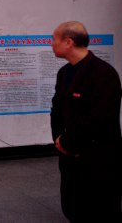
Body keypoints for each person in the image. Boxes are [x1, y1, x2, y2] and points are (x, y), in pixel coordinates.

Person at [49, 21, 121, 222]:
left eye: (54, 39)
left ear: (68, 42)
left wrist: (69, 143)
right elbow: (56, 110)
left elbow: (99, 119)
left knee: (99, 210)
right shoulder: (64, 73)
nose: (51, 44)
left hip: (97, 160)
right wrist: (59, 140)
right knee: (73, 208)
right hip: (69, 157)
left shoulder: (104, 74)